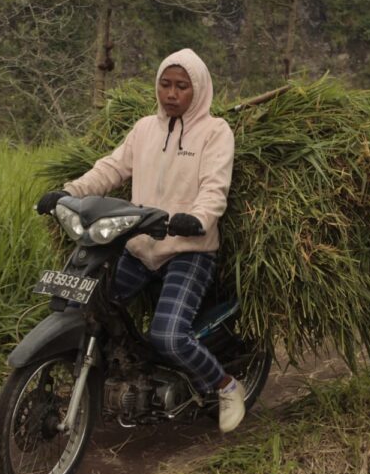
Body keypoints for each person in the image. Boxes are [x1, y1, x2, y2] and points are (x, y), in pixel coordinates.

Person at [37, 48, 244, 433]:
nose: (171, 93)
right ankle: (115, 374)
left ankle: (226, 384)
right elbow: (112, 168)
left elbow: (215, 188)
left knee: (167, 334)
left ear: (197, 89)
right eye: (165, 84)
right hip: (139, 245)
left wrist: (197, 219)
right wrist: (68, 192)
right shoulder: (145, 128)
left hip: (188, 250)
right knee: (91, 307)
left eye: (182, 86)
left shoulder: (216, 132)